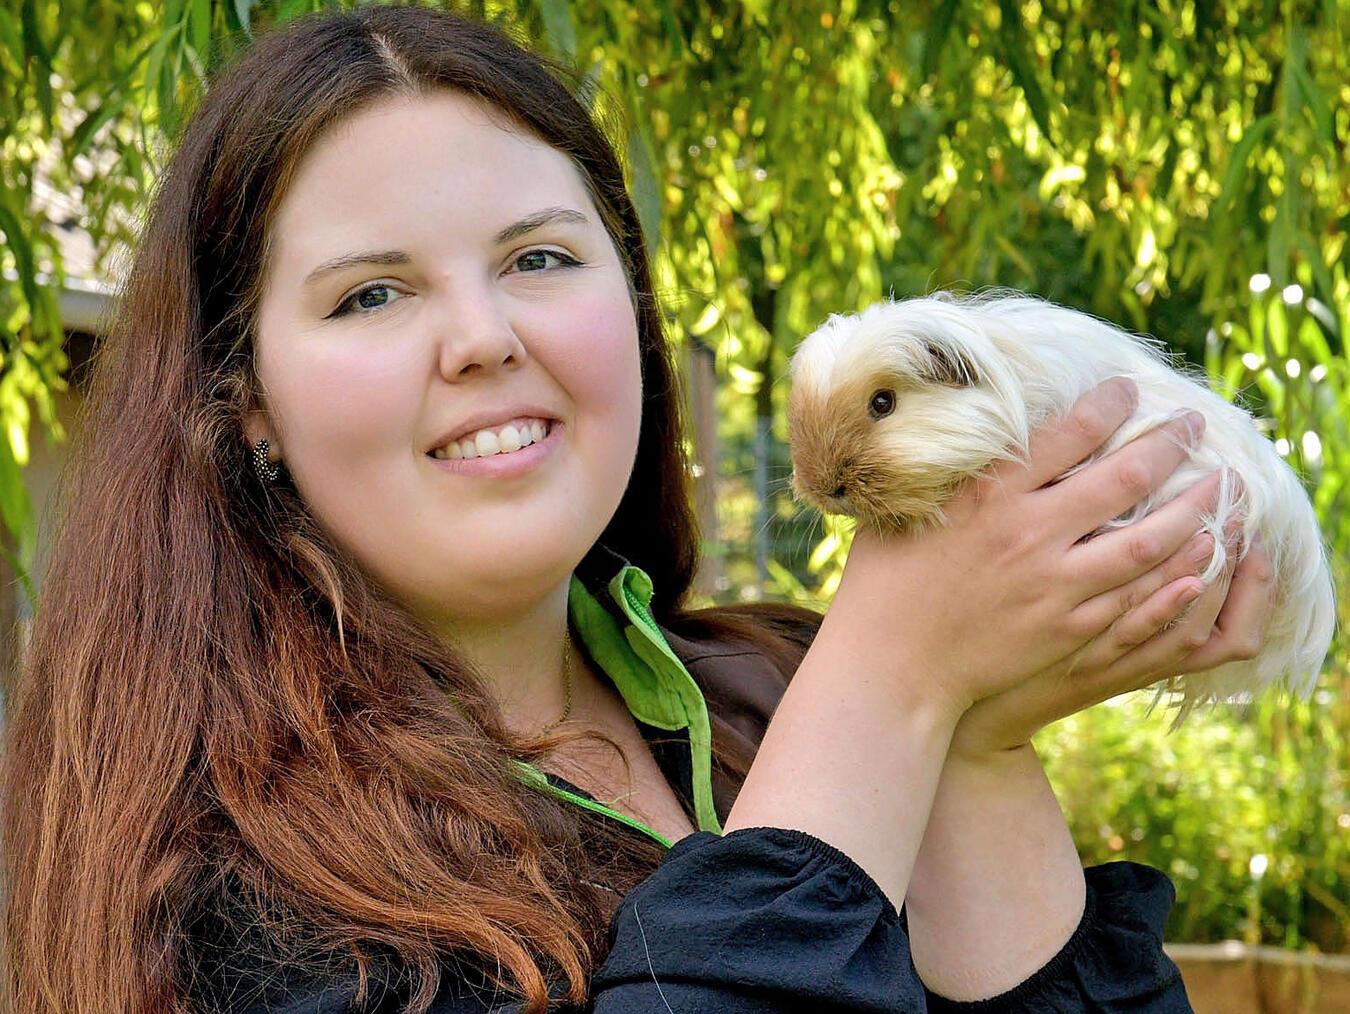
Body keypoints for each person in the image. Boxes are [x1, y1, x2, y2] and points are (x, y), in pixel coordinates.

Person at [0, 7, 1279, 1013]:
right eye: (371, 296)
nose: (484, 338)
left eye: (540, 258)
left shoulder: (772, 689)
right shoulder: (215, 880)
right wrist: (892, 678)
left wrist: (977, 741)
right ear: (246, 402)